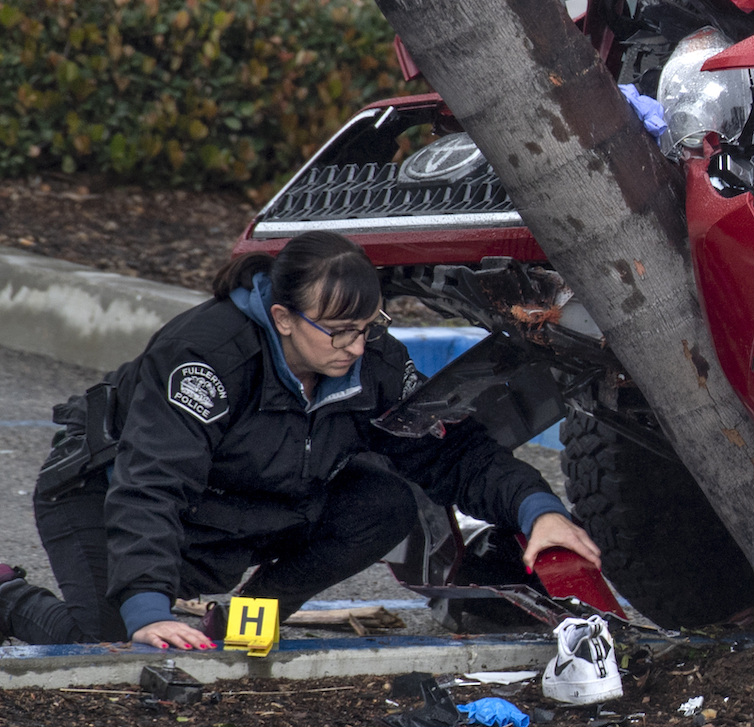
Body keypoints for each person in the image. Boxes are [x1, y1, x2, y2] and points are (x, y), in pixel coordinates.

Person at [0, 230, 600, 649]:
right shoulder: (205, 356)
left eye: (368, 328)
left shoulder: (371, 362)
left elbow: (447, 448)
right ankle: (8, 596)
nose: (357, 349)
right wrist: (148, 610)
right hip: (104, 492)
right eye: (338, 332)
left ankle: (242, 620)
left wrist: (537, 509)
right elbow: (151, 481)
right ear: (283, 317)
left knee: (384, 501)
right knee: (113, 648)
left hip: (247, 499)